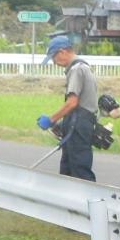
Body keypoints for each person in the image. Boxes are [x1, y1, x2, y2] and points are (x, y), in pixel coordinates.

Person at [40, 33, 100, 182]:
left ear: (62, 52)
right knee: (67, 171)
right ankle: (70, 205)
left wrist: (51, 120)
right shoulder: (82, 67)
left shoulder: (77, 69)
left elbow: (72, 102)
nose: (54, 62)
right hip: (77, 123)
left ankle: (91, 204)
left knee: (79, 172)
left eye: (54, 57)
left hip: (78, 126)